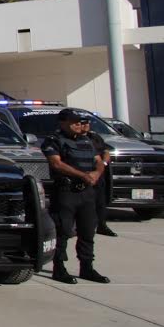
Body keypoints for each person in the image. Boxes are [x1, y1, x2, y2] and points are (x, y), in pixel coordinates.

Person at [42, 109, 111, 283]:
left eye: (80, 122)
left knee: (87, 231)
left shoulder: (87, 140)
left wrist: (96, 173)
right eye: (74, 122)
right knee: (63, 231)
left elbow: (99, 160)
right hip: (67, 192)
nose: (79, 125)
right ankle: (59, 268)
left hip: (87, 192)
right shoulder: (54, 141)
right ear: (63, 123)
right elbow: (56, 164)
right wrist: (82, 175)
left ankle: (87, 267)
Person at [87, 127, 117, 238]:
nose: (85, 125)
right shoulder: (75, 138)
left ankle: (102, 225)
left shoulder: (95, 137)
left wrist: (103, 164)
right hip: (84, 173)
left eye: (87, 123)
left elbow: (105, 151)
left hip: (99, 174)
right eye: (81, 123)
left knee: (100, 202)